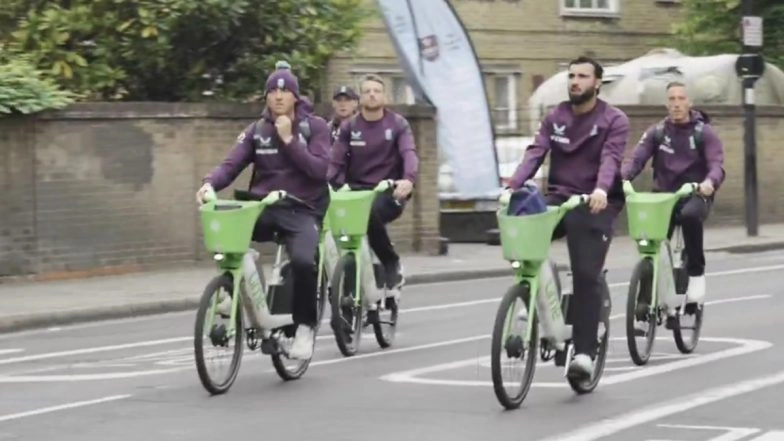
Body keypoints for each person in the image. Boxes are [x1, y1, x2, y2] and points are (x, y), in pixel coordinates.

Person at [506, 56, 630, 380]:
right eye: (572, 75)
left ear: (597, 83)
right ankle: (529, 305)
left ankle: (585, 353)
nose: (575, 81)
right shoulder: (555, 116)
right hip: (561, 196)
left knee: (585, 274)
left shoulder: (613, 120)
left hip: (595, 201)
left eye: (583, 76)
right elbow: (536, 151)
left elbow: (610, 158)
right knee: (527, 228)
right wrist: (513, 183)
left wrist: (602, 189)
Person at [196, 62, 331, 360]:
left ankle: (305, 328)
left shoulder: (315, 128)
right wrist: (209, 184)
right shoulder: (257, 130)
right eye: (272, 91)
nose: (278, 96)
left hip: (302, 208)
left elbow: (320, 170)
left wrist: (289, 140)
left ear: (295, 96)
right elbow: (231, 164)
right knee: (229, 238)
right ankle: (234, 286)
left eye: (284, 91)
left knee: (302, 261)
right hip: (265, 205)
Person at [622, 81, 725, 310]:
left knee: (690, 216)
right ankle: (645, 298)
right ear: (666, 103)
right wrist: (622, 178)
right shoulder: (657, 132)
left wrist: (709, 183)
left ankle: (696, 275)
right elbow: (636, 158)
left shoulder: (703, 132)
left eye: (681, 99)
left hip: (695, 194)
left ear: (689, 102)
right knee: (651, 240)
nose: (676, 104)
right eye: (672, 99)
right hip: (664, 196)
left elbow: (717, 164)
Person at [327, 73, 419, 300]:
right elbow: (336, 161)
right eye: (367, 91)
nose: (372, 94)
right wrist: (327, 184)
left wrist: (408, 179)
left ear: (384, 96)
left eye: (377, 91)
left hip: (389, 191)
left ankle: (391, 262)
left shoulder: (398, 124)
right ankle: (351, 280)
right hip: (356, 192)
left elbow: (409, 153)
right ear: (361, 97)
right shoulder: (350, 126)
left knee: (371, 213)